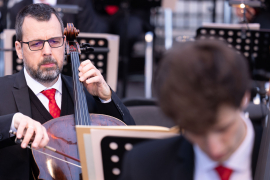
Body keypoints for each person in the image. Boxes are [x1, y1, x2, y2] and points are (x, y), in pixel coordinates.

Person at [0, 3, 135, 179]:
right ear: (19, 49)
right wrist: (12, 122)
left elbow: (132, 140)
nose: (47, 52)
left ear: (65, 44)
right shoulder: (2, 90)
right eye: (36, 44)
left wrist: (106, 98)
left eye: (55, 42)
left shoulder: (88, 91)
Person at [118, 40, 263, 180]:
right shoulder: (144, 166)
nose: (215, 149)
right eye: (196, 131)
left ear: (245, 97)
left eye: (222, 129)